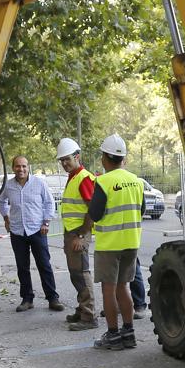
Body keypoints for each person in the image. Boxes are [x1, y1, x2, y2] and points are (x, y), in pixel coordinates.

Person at [75, 134, 144, 351]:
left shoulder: (103, 181)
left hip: (110, 246)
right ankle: (129, 333)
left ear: (105, 157)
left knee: (109, 290)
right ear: (123, 157)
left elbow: (94, 214)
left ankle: (113, 335)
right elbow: (140, 211)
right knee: (124, 288)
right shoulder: (137, 181)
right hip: (131, 243)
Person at [0, 155, 63, 313]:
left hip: (37, 230)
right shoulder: (8, 186)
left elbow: (49, 202)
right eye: (18, 166)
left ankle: (52, 298)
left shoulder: (39, 183)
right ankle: (27, 299)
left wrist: (46, 222)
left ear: (28, 167)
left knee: (44, 265)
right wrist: (6, 219)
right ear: (13, 168)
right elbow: (1, 201)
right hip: (17, 231)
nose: (21, 169)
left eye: (24, 166)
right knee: (22, 267)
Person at [56, 138, 98, 330]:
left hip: (78, 233)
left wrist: (81, 236)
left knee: (81, 273)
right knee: (76, 273)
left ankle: (89, 317)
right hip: (73, 232)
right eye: (62, 160)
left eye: (67, 159)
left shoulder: (84, 178)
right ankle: (82, 309)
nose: (64, 163)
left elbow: (93, 209)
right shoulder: (74, 176)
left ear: (77, 157)